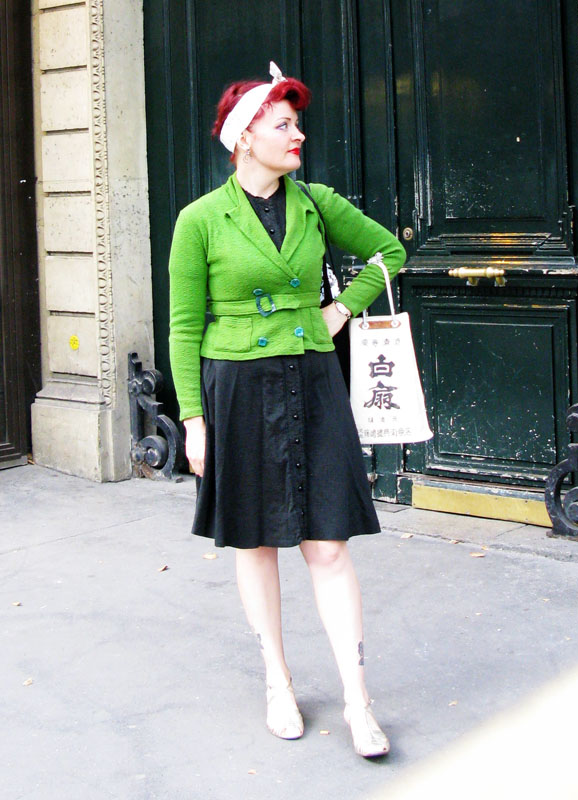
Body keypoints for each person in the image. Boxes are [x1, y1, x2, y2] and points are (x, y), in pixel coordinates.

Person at [168, 62, 406, 758]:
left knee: (327, 544)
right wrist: (192, 420)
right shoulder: (199, 220)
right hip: (237, 386)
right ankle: (278, 681)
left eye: (296, 123)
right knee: (256, 541)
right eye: (283, 124)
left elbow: (389, 250)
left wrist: (342, 309)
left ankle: (357, 700)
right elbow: (184, 327)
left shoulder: (317, 203)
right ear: (245, 138)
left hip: (312, 381)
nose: (298, 134)